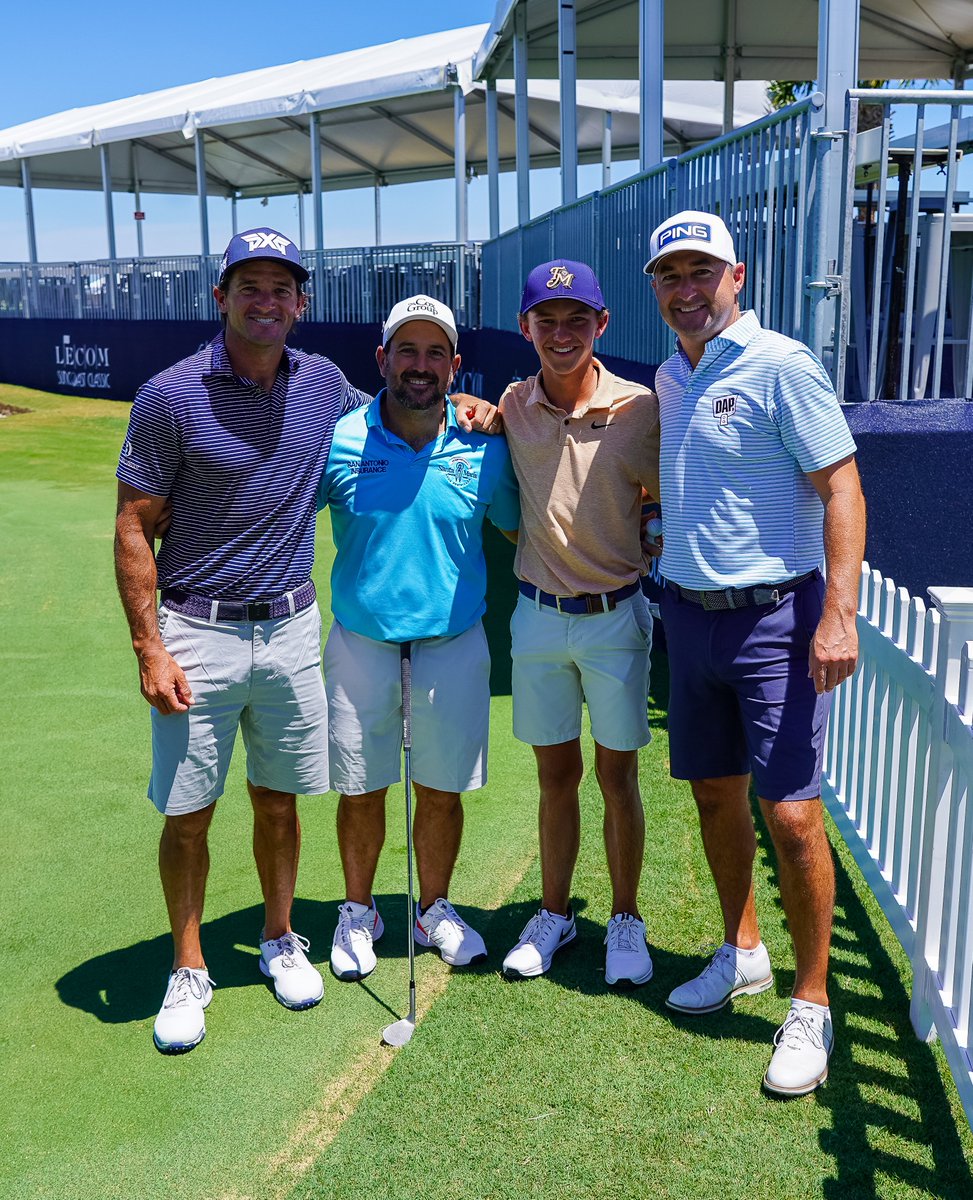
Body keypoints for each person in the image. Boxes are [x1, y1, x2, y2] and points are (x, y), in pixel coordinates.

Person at [114, 231, 493, 1054]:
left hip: (287, 627)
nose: (266, 301)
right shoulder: (169, 395)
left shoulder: (322, 384)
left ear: (301, 303)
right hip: (198, 627)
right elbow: (134, 524)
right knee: (187, 812)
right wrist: (150, 646)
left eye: (281, 289)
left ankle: (282, 936)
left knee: (279, 802)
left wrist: (475, 408)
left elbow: (398, 406)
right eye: (249, 286)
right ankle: (189, 968)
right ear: (221, 297)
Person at [644, 209, 866, 1096]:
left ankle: (809, 1003)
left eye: (703, 273)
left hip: (776, 616)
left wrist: (838, 613)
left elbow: (841, 485)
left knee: (791, 816)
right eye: (671, 276)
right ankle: (741, 951)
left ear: (739, 278)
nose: (687, 290)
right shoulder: (669, 374)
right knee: (712, 794)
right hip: (688, 620)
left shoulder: (782, 364)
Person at [318, 295, 519, 982]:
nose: (420, 365)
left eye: (436, 352)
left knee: (439, 788)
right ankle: (358, 910)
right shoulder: (340, 439)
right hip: (361, 641)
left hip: (452, 643)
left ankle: (434, 908)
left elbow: (525, 529)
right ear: (382, 359)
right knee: (361, 786)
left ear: (455, 366)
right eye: (407, 350)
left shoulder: (484, 444)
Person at [497, 260, 661, 988]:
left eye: (576, 321)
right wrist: (478, 409)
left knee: (616, 775)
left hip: (614, 616)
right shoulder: (513, 404)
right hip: (535, 619)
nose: (560, 335)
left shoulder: (642, 407)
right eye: (545, 321)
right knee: (553, 775)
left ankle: (624, 917)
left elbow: (659, 495)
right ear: (525, 328)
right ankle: (555, 913)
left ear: (601, 325)